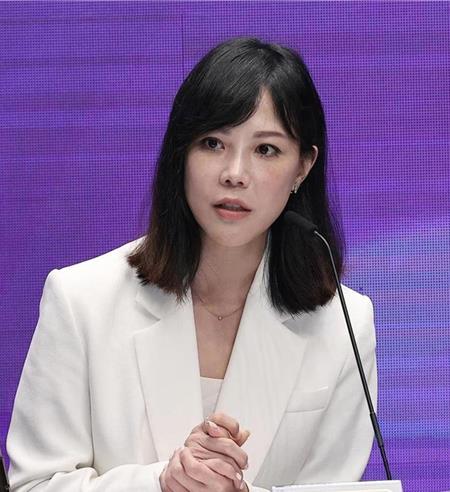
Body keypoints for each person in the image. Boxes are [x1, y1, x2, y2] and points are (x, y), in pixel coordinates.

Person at [7, 37, 377, 491]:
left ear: (302, 167)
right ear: (181, 153)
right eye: (213, 143)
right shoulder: (81, 300)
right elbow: (35, 484)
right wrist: (162, 483)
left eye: (266, 150)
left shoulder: (345, 323)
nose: (235, 173)